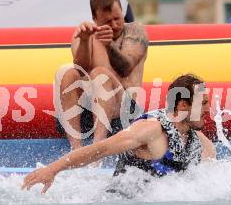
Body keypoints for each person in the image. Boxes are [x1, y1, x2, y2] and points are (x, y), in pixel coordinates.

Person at [23, 74, 217, 194]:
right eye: (204, 103)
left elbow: (202, 186)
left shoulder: (202, 145)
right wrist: (52, 170)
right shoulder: (151, 129)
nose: (209, 109)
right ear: (183, 105)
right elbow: (100, 149)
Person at [56, 0, 148, 150]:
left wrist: (109, 46)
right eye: (107, 22)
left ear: (122, 12)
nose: (114, 25)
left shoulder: (135, 31)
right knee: (66, 72)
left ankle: (96, 149)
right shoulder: (86, 33)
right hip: (90, 114)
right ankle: (76, 149)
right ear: (95, 19)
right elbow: (80, 69)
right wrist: (84, 41)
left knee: (100, 74)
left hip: (125, 114)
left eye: (117, 18)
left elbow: (126, 68)